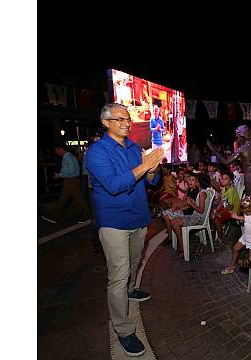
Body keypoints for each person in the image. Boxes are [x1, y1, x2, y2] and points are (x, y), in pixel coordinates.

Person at [85, 103, 164, 357]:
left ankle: (131, 290)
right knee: (118, 275)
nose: (126, 123)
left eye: (127, 119)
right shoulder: (97, 152)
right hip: (113, 221)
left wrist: (153, 170)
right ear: (105, 122)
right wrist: (144, 167)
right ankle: (124, 329)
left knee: (134, 261)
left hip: (138, 216)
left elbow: (153, 181)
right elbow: (114, 185)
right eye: (120, 119)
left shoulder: (134, 148)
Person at [41, 143, 91, 224]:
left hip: (70, 181)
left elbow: (70, 170)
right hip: (72, 180)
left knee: (68, 200)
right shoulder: (69, 156)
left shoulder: (67, 157)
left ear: (60, 149)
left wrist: (59, 175)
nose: (56, 152)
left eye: (56, 150)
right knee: (72, 199)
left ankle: (54, 217)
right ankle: (54, 216)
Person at [162, 173, 210, 254]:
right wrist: (190, 203)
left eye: (196, 180)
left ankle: (182, 248)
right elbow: (197, 205)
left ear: (199, 182)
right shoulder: (201, 192)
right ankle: (181, 245)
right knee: (174, 221)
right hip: (195, 215)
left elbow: (201, 210)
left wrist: (191, 203)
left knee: (174, 222)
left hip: (198, 218)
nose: (193, 182)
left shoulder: (202, 193)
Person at [212, 170, 241, 242]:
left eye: (225, 179)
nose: (223, 180)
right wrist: (216, 210)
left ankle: (220, 238)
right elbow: (223, 201)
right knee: (212, 213)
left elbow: (231, 207)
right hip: (227, 207)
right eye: (222, 178)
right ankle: (220, 227)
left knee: (216, 218)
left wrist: (219, 213)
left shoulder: (231, 190)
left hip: (233, 211)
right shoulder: (224, 189)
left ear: (230, 181)